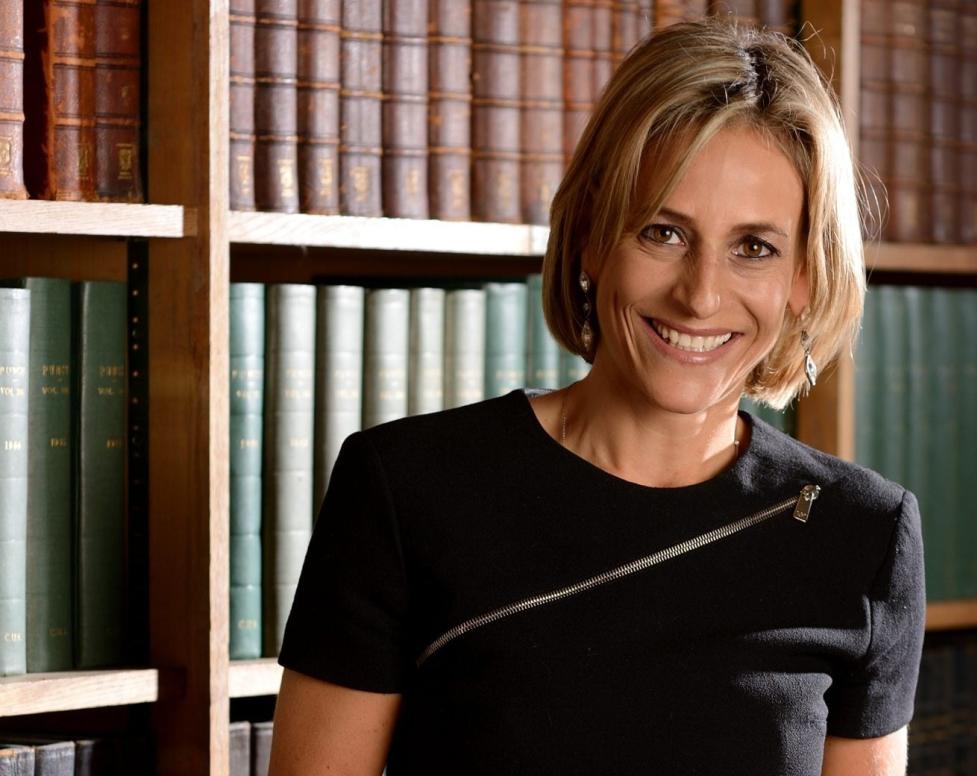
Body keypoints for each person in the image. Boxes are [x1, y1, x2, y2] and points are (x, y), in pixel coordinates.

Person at [268, 16, 925, 776]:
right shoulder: (405, 489)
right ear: (589, 236)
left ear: (803, 279)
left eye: (754, 248)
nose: (700, 294)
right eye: (662, 232)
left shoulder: (864, 534)